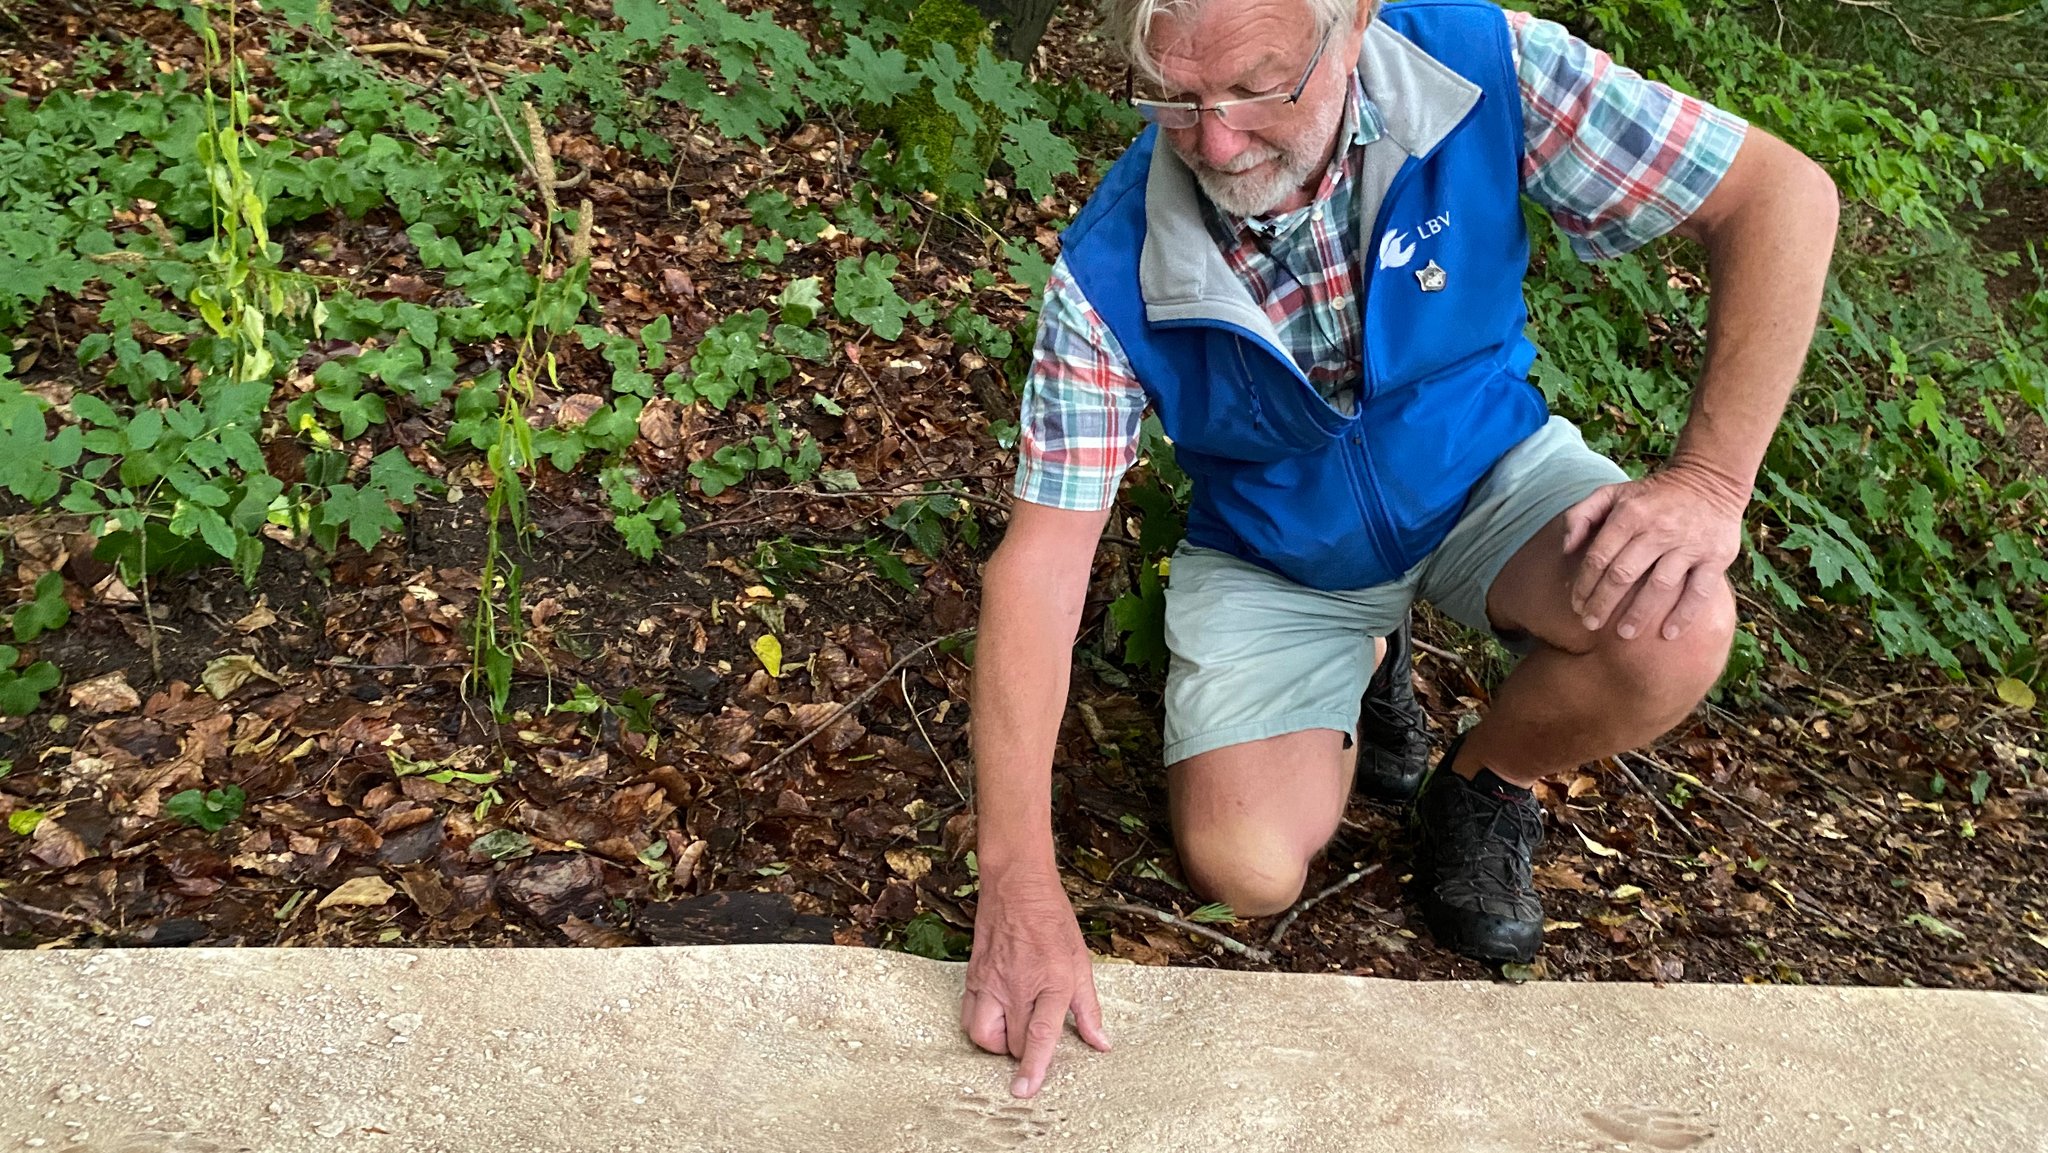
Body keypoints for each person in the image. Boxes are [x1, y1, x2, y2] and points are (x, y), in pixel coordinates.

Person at [959, 0, 1838, 1099]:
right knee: (1246, 867)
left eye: (1258, 87)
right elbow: (1040, 562)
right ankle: (1370, 659)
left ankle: (1480, 783)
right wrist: (1019, 884)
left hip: (1484, 476)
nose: (1216, 141)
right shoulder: (1111, 263)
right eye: (1173, 101)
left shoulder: (1481, 65)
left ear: (1354, 21)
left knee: (1675, 622)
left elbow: (1780, 196)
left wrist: (1709, 485)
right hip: (1281, 552)